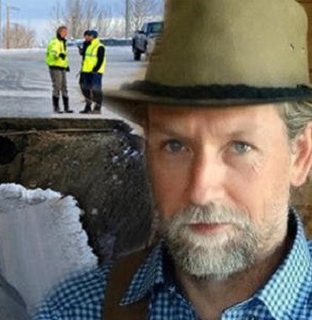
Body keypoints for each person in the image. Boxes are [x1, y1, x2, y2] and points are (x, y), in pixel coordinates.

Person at [34, 0, 312, 319]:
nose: (200, 192)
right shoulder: (73, 311)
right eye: (176, 145)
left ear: (300, 155)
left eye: (240, 146)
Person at [46, 26, 72, 114]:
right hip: (55, 67)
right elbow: (52, 53)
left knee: (64, 87)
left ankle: (66, 107)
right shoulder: (55, 41)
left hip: (62, 67)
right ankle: (56, 107)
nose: (66, 33)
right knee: (57, 86)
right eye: (64, 31)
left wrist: (66, 65)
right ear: (59, 32)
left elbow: (64, 55)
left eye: (66, 31)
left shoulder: (63, 42)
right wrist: (58, 55)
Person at [79, 30, 105, 115]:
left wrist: (96, 69)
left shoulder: (99, 46)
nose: (86, 37)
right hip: (86, 70)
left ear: (93, 36)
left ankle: (97, 107)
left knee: (96, 89)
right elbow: (86, 57)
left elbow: (100, 59)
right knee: (84, 87)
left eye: (88, 35)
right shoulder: (88, 45)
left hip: (95, 72)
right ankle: (88, 106)